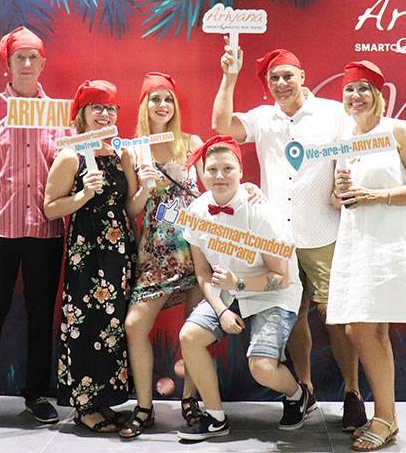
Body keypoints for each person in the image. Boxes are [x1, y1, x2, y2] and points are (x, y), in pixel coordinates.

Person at [211, 38, 367, 429]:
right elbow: (221, 125)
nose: (281, 83)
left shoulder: (333, 113)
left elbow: (356, 150)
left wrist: (343, 185)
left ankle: (353, 393)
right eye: (274, 78)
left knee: (336, 316)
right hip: (278, 237)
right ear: (268, 84)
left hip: (324, 232)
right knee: (292, 315)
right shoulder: (264, 118)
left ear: (302, 76)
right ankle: (306, 390)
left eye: (287, 76)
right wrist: (229, 77)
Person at [0, 26, 68, 433]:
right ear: (8, 64)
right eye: (19, 57)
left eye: (33, 57)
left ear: (42, 64)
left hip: (45, 230)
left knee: (42, 315)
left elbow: (74, 167)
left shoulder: (58, 116)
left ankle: (37, 394)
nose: (26, 64)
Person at [328, 61, 406, 451]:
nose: (355, 96)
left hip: (387, 243)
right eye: (349, 90)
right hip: (355, 242)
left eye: (363, 89)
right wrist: (340, 190)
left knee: (361, 329)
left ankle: (385, 416)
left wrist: (380, 196)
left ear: (379, 94)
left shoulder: (397, 130)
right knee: (369, 331)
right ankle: (387, 417)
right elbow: (340, 198)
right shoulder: (344, 137)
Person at [176, 136, 308, 441]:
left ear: (240, 172)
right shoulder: (196, 212)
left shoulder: (261, 213)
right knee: (189, 336)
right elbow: (203, 273)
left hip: (272, 293)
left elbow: (282, 278)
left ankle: (298, 394)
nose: (219, 176)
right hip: (226, 293)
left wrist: (240, 283)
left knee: (261, 369)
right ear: (203, 173)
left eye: (227, 168)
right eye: (212, 169)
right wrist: (221, 309)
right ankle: (216, 418)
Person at [43, 80, 137, 432]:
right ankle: (84, 406)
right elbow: (51, 209)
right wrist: (83, 195)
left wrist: (147, 188)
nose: (104, 114)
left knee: (113, 326)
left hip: (119, 253)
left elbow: (130, 207)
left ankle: (105, 400)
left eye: (110, 108)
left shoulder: (120, 154)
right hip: (87, 254)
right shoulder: (69, 155)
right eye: (97, 107)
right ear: (81, 114)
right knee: (86, 324)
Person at [118, 72, 205, 437]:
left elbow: (209, 197)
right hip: (154, 252)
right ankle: (144, 407)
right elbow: (132, 209)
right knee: (135, 325)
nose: (162, 106)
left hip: (196, 249)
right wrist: (147, 185)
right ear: (144, 105)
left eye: (168, 99)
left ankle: (190, 401)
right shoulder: (132, 150)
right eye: (155, 99)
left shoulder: (192, 142)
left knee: (196, 329)